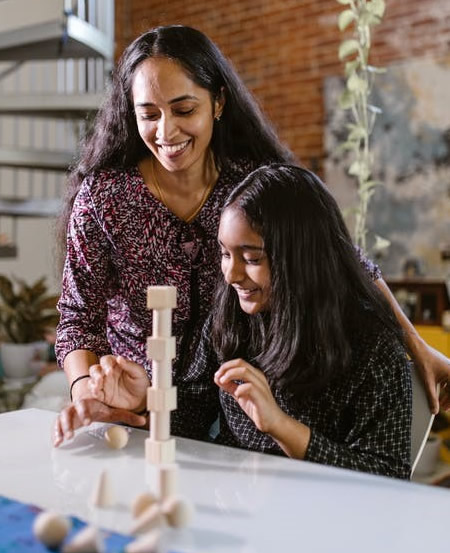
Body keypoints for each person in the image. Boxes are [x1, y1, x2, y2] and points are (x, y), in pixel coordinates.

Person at [53, 25, 449, 445]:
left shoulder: (249, 184)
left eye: (184, 110)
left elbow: (339, 259)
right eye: (148, 114)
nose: (166, 133)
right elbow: (77, 319)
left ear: (218, 102)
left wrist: (416, 345)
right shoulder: (104, 198)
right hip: (142, 408)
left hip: (239, 403)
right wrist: (88, 393)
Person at [74, 164, 412, 478]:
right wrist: (146, 401)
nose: (232, 274)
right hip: (236, 505)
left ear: (303, 257)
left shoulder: (374, 348)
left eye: (251, 258)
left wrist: (281, 426)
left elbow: (388, 479)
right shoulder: (233, 316)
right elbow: (192, 412)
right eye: (224, 253)